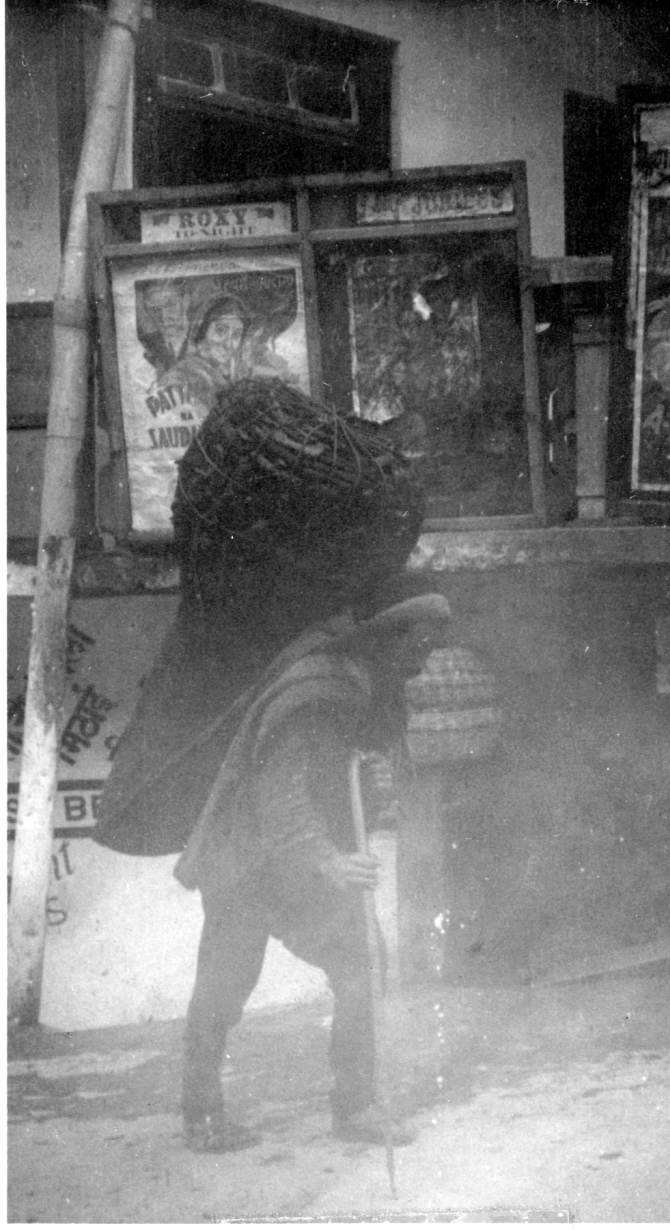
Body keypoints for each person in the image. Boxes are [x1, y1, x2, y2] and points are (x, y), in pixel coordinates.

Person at [93, 377, 447, 1154]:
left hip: (285, 859)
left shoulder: (361, 684)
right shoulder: (319, 693)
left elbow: (348, 765)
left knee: (357, 962)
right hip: (248, 860)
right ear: (385, 638)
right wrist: (330, 863)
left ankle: (355, 1105)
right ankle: (205, 1112)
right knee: (227, 983)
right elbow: (283, 799)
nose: (424, 660)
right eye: (417, 644)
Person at [158, 294, 249, 415]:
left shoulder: (223, 380)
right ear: (202, 330)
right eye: (220, 331)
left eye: (236, 335)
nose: (228, 344)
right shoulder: (180, 377)